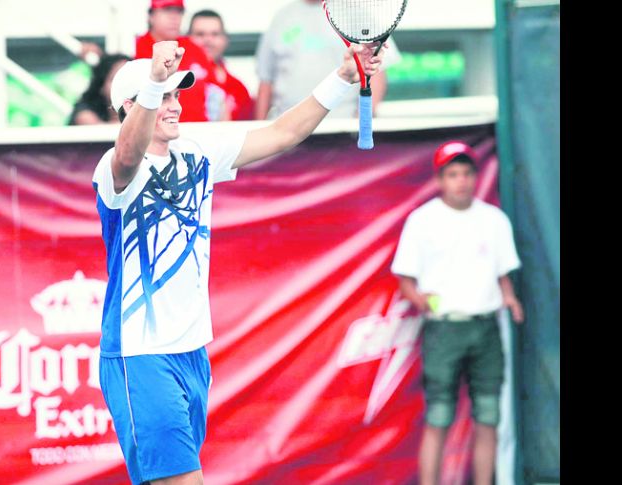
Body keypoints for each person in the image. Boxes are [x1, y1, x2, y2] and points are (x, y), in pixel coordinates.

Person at [94, 39, 385, 485]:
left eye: (175, 95)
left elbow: (283, 133)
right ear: (132, 106)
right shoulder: (113, 168)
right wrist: (154, 79)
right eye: (164, 97)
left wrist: (343, 78)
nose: (174, 106)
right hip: (140, 356)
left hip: (192, 353)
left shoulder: (197, 149)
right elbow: (128, 156)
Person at [390, 142, 525, 485]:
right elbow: (406, 281)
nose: (461, 181)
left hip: (485, 328)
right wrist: (423, 301)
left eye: (466, 173)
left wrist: (509, 299)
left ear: (476, 176)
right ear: (439, 179)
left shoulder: (493, 219)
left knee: (488, 417)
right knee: (438, 416)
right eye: (453, 174)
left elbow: (502, 274)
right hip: (444, 330)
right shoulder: (422, 221)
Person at [254, 0, 402, 120]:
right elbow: (266, 81)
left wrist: (361, 119)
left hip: (341, 128)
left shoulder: (357, 14)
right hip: (285, 128)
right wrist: (259, 128)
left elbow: (377, 72)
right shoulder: (282, 17)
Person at [135, 0, 218, 122]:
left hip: (199, 132)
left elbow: (216, 95)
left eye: (179, 11)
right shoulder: (136, 50)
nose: (174, 17)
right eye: (167, 10)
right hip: (157, 133)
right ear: (151, 16)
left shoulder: (195, 49)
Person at [188, 9, 254, 121]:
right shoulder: (175, 83)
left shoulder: (239, 90)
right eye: (200, 34)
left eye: (215, 34)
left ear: (225, 39)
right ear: (187, 38)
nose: (207, 40)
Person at [69, 53, 132, 125]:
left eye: (129, 79)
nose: (124, 85)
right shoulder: (85, 113)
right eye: (115, 79)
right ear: (101, 86)